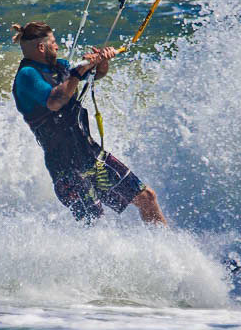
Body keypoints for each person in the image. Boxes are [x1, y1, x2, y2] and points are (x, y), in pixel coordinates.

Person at [11, 21, 167, 225]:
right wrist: (78, 73)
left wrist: (100, 62)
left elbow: (96, 74)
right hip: (65, 167)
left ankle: (164, 249)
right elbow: (55, 101)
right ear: (42, 47)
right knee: (96, 223)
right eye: (54, 42)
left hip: (91, 155)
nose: (57, 47)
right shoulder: (27, 75)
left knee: (147, 198)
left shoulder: (62, 67)